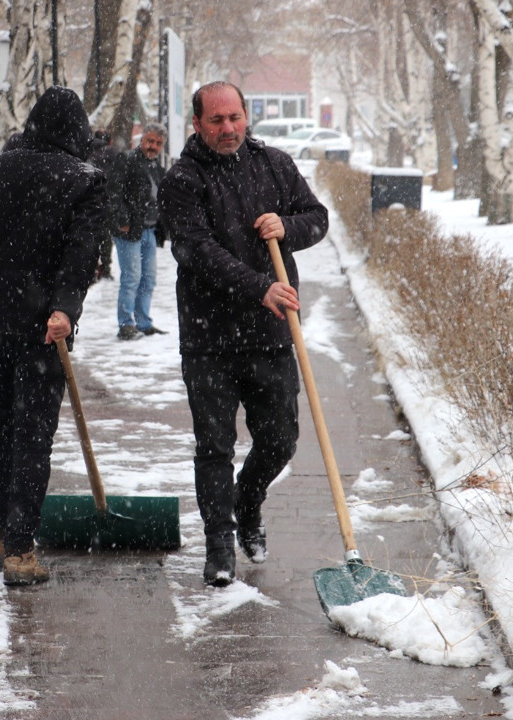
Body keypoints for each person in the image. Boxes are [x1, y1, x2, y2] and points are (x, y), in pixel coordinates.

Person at [158, 82, 328, 586]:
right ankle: (219, 545)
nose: (228, 128)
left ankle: (246, 502)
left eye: (234, 117)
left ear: (246, 116)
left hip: (272, 333)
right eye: (216, 121)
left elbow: (316, 218)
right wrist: (260, 287)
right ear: (197, 125)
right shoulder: (183, 180)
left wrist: (288, 228)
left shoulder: (275, 164)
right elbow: (195, 251)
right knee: (214, 445)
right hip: (209, 339)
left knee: (280, 440)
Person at [0, 86, 105, 586]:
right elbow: (82, 254)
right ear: (76, 131)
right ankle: (19, 550)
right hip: (41, 326)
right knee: (32, 433)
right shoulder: (84, 179)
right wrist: (65, 309)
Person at [110, 123, 168, 340]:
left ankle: (143, 322)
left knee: (148, 279)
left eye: (158, 143)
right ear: (142, 139)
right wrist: (122, 219)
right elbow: (114, 192)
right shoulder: (127, 160)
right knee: (131, 278)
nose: (153, 146)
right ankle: (126, 324)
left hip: (149, 231)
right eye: (150, 141)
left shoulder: (157, 167)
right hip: (129, 230)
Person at [87, 128, 121, 281]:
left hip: (89, 200)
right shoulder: (114, 153)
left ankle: (92, 268)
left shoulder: (88, 152)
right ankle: (105, 268)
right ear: (110, 141)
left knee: (89, 234)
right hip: (108, 200)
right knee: (106, 236)